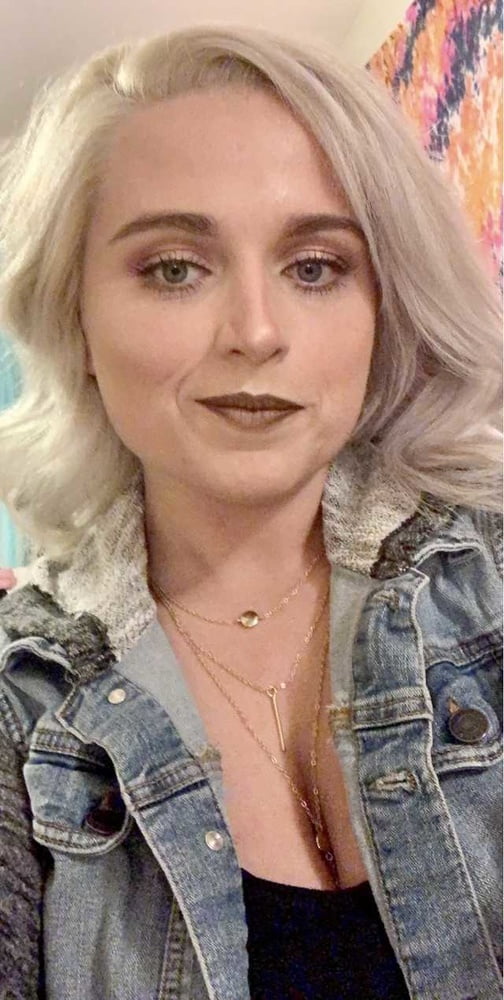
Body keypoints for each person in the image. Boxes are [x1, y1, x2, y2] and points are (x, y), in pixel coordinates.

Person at [0, 22, 501, 1000]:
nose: (257, 332)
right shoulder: (25, 708)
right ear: (77, 320)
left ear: (382, 308)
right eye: (174, 268)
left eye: (314, 267)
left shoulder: (488, 575)